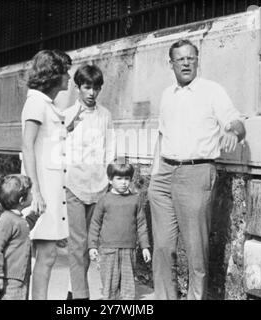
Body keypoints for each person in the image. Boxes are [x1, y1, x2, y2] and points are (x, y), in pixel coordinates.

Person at [148, 39, 246, 300]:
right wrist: (154, 175)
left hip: (196, 174)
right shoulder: (166, 95)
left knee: (195, 251)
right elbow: (161, 134)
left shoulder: (212, 91)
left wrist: (232, 132)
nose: (186, 62)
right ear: (171, 64)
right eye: (180, 59)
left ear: (197, 60)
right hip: (163, 175)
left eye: (191, 57)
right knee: (163, 248)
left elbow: (237, 122)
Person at [21, 49, 72, 300]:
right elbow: (27, 146)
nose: (70, 77)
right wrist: (35, 191)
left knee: (47, 255)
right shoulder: (36, 103)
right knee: (46, 255)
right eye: (66, 72)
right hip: (43, 191)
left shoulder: (45, 104)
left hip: (52, 189)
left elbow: (47, 143)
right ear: (53, 75)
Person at [64, 64, 116, 300]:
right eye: (87, 87)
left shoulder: (105, 115)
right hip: (74, 185)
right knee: (77, 243)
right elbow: (57, 146)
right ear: (78, 88)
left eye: (96, 87)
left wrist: (110, 182)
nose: (91, 92)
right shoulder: (67, 115)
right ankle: (80, 298)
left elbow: (110, 150)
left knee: (90, 244)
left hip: (99, 186)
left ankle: (74, 290)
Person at [88, 162, 151, 300]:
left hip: (129, 250)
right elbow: (95, 224)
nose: (124, 182)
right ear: (110, 180)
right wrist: (92, 246)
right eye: (119, 178)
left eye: (127, 178)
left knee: (128, 289)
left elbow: (141, 224)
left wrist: (145, 247)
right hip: (108, 250)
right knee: (109, 288)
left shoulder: (135, 200)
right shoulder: (104, 200)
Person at [0, 174, 39, 300]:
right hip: (10, 278)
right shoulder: (6, 221)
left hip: (21, 276)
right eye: (30, 193)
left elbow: (25, 227)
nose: (33, 195)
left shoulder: (18, 219)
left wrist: (35, 214)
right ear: (22, 201)